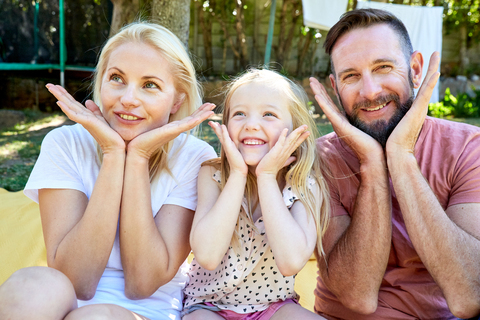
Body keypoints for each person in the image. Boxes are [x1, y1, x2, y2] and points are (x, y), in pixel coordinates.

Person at [0, 22, 217, 320]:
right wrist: (114, 155)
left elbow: (142, 283)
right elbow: (77, 281)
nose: (128, 98)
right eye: (117, 78)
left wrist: (137, 158)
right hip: (67, 302)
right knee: (30, 286)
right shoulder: (65, 143)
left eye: (149, 85)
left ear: (177, 100)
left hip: (147, 310)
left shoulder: (194, 157)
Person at [309, 8, 480, 320]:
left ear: (415, 69)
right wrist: (373, 165)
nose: (370, 91)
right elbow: (357, 297)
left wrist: (401, 157)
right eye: (351, 76)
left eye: (383, 67)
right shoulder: (321, 159)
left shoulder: (468, 148)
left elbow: (468, 296)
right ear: (334, 88)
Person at [182, 68, 330, 320]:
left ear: (296, 128)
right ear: (226, 125)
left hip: (274, 307)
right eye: (239, 114)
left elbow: (290, 261)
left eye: (269, 114)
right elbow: (207, 256)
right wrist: (238, 174)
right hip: (208, 305)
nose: (251, 124)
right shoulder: (212, 176)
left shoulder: (305, 183)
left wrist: (267, 177)